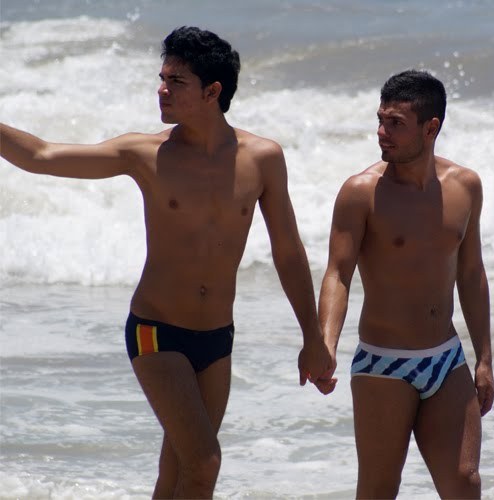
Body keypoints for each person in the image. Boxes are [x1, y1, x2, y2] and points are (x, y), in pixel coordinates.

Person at [0, 26, 334, 499]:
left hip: (217, 337)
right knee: (204, 465)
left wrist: (312, 338)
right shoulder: (146, 153)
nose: (162, 89)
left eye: (176, 81)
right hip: (156, 330)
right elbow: (41, 156)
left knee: (177, 475)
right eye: (162, 78)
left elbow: (288, 250)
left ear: (212, 91)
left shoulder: (263, 158)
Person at [317, 69, 494, 498]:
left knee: (465, 483)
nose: (382, 132)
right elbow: (338, 273)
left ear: (431, 128)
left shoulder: (465, 186)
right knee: (379, 490)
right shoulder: (362, 191)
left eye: (396, 123)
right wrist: (325, 344)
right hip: (384, 363)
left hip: (446, 358)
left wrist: (485, 358)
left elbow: (471, 273)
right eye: (380, 120)